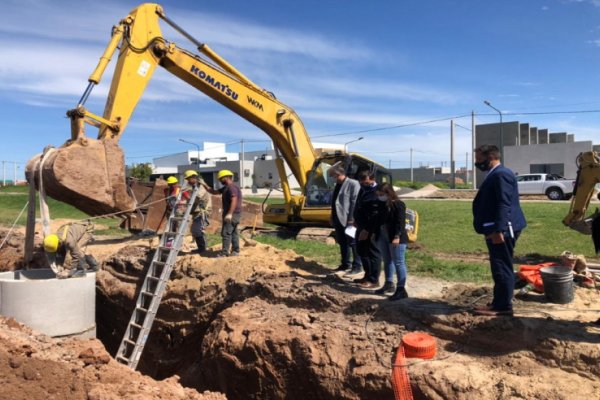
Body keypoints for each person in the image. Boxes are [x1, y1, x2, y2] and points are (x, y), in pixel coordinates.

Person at [472, 144, 527, 316]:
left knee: (501, 266)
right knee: (500, 264)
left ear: (491, 157)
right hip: (495, 228)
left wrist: (499, 230)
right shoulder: (495, 174)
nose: (477, 163)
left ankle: (503, 306)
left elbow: (504, 203)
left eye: (479, 159)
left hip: (501, 230)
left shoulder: (501, 174)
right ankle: (499, 302)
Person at [375, 183, 409, 300]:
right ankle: (389, 284)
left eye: (382, 194)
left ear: (389, 193)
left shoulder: (399, 204)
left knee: (399, 262)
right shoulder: (382, 204)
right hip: (383, 235)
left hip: (395, 236)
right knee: (387, 260)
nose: (380, 196)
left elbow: (400, 222)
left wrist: (397, 236)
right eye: (378, 194)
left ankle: (401, 289)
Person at [353, 170, 385, 288]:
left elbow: (375, 214)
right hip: (361, 226)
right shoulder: (363, 190)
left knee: (373, 252)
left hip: (372, 228)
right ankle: (367, 276)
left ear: (372, 179)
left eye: (366, 182)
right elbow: (359, 206)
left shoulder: (378, 193)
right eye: (361, 182)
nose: (363, 184)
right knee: (362, 251)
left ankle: (374, 280)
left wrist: (367, 230)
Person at [328, 164, 362, 274]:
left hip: (349, 219)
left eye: (332, 176)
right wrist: (332, 216)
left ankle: (357, 266)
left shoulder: (353, 184)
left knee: (353, 243)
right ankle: (345, 264)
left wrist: (351, 218)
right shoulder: (337, 185)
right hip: (338, 218)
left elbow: (354, 202)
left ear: (338, 174)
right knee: (342, 242)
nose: (332, 178)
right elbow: (335, 203)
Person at [202, 169, 242, 257]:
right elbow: (214, 192)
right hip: (233, 213)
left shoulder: (232, 187)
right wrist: (203, 184)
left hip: (233, 214)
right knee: (233, 232)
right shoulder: (226, 188)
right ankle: (235, 251)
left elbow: (234, 200)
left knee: (226, 232)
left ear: (227, 177)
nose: (219, 180)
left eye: (221, 178)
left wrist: (230, 213)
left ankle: (224, 253)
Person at [183, 170, 212, 254]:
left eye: (189, 179)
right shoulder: (194, 186)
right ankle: (201, 248)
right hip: (197, 212)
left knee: (197, 230)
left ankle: (203, 249)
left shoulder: (201, 187)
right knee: (195, 230)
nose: (188, 181)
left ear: (194, 177)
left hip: (202, 212)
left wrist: (187, 197)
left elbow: (197, 198)